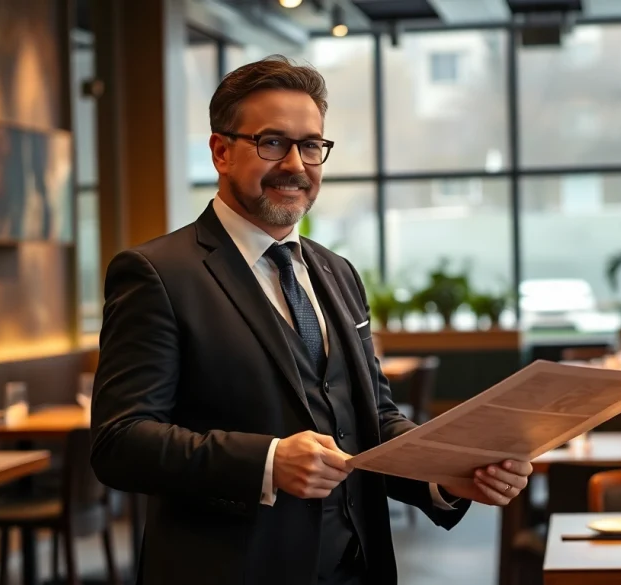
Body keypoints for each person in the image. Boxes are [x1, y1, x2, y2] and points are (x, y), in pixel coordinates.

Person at [89, 55, 533, 585]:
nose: (296, 165)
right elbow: (119, 442)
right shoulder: (157, 273)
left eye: (311, 145)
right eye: (273, 142)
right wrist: (267, 462)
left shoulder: (337, 272)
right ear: (221, 151)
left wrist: (447, 475)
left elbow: (372, 420)